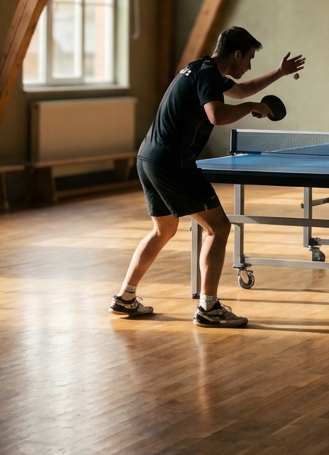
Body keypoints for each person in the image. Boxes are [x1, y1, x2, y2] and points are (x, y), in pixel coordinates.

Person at [110, 27, 305, 327]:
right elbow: (217, 115)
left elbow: (240, 90)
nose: (249, 66)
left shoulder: (197, 68)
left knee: (163, 230)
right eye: (249, 58)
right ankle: (208, 307)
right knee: (218, 228)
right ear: (236, 54)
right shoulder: (208, 76)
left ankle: (125, 297)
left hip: (149, 157)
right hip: (173, 162)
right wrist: (253, 107)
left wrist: (278, 72)